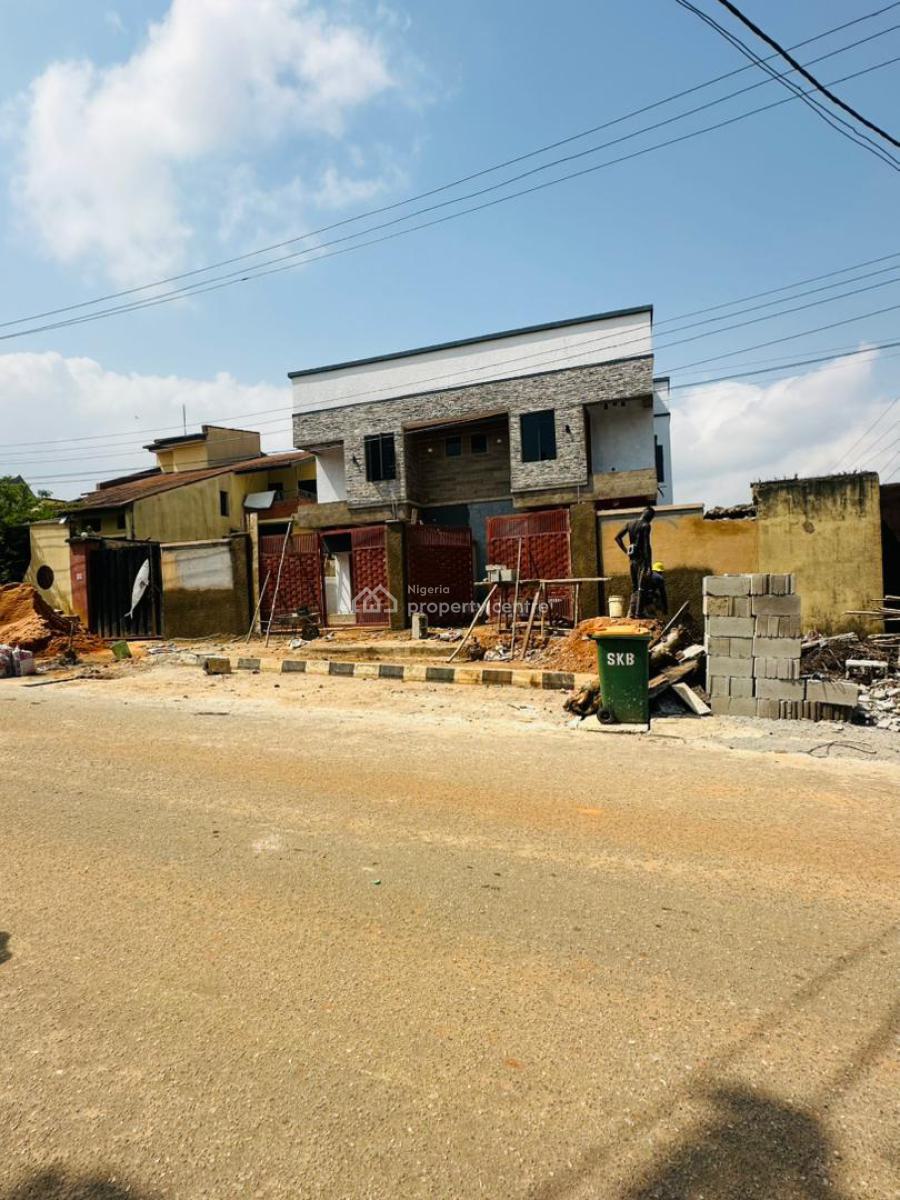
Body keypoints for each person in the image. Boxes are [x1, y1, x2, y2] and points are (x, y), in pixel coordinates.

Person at [614, 506, 655, 617]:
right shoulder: (645, 525)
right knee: (642, 586)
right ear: (650, 516)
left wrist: (626, 550)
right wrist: (649, 566)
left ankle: (632, 613)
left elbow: (617, 537)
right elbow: (646, 545)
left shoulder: (630, 523)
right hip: (641, 559)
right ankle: (638, 613)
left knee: (634, 586)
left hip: (632, 560)